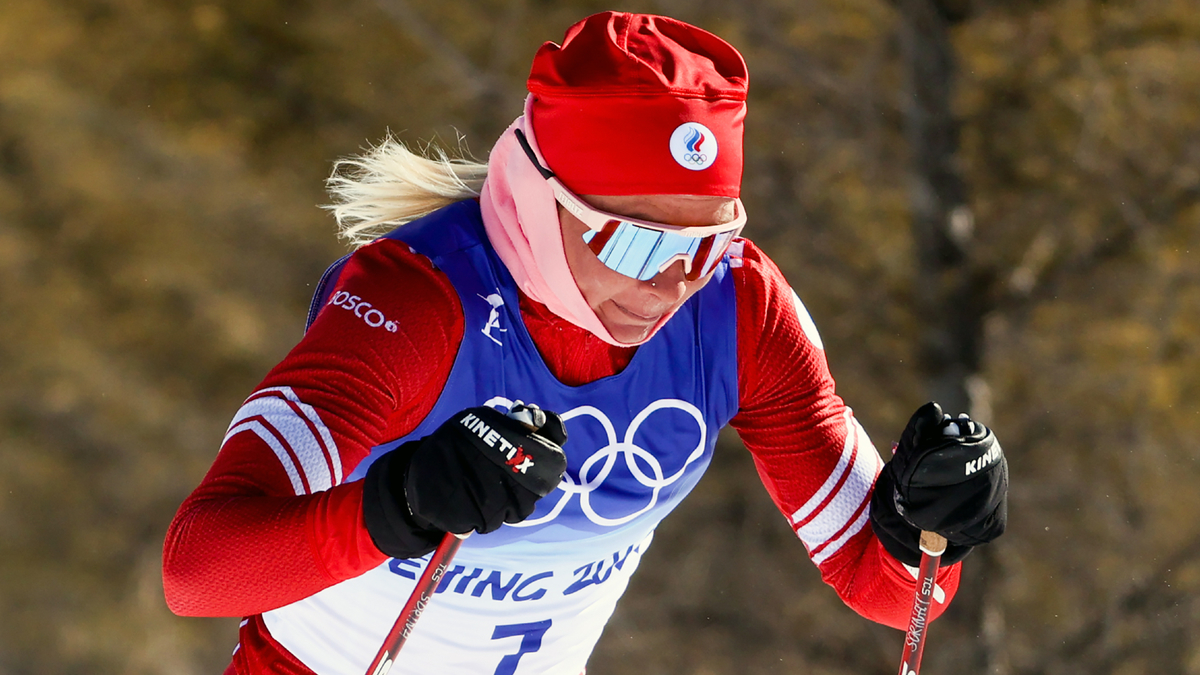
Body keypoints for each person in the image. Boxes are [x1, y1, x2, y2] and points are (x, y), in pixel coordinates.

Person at [163, 11, 1007, 675]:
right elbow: (196, 571)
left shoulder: (739, 309)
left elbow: (891, 594)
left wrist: (927, 524)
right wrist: (400, 506)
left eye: (707, 243)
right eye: (634, 243)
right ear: (540, 201)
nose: (671, 282)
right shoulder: (416, 303)